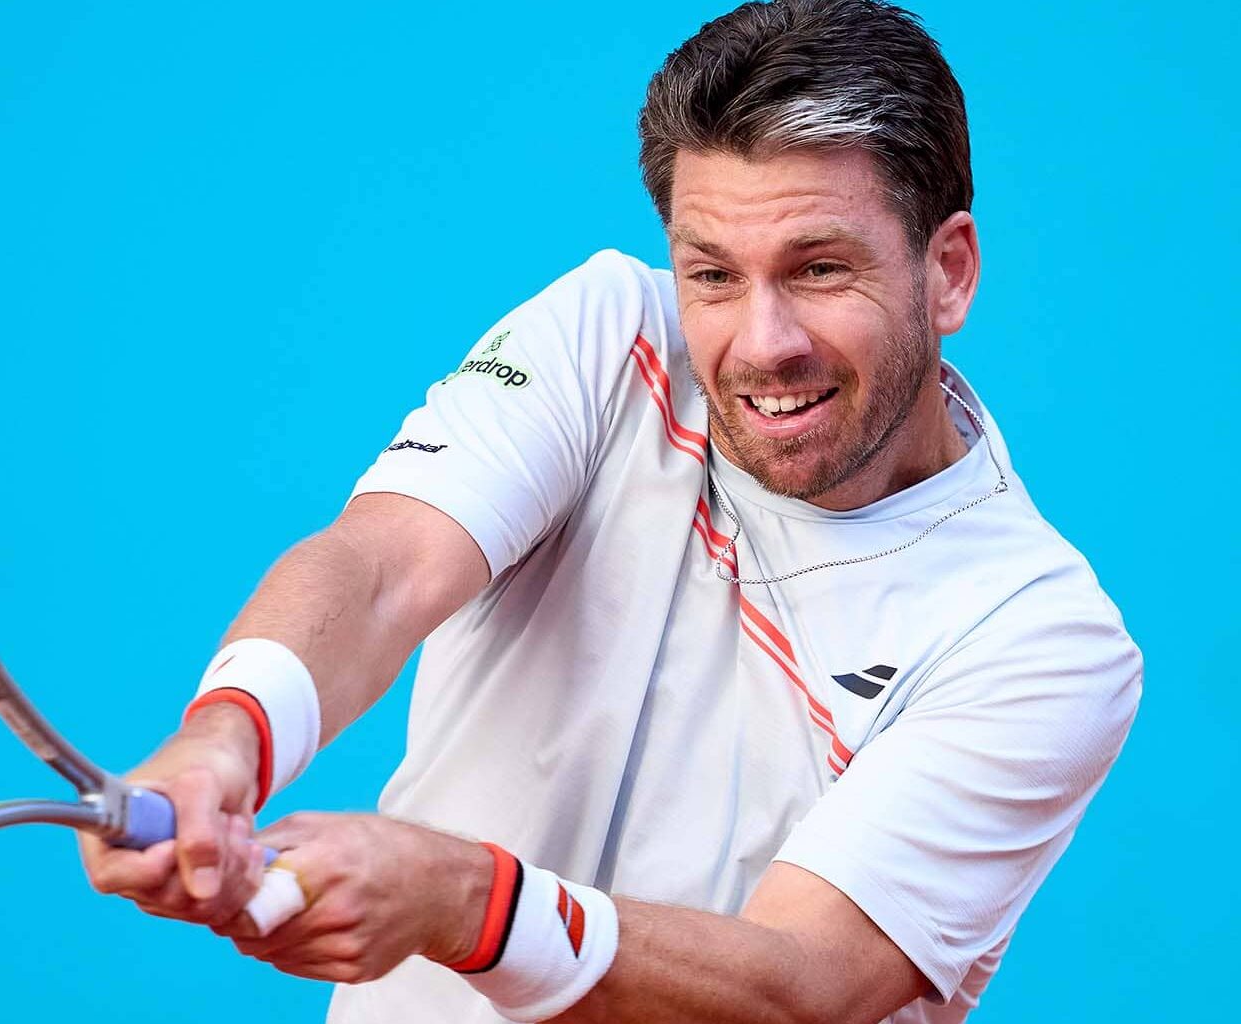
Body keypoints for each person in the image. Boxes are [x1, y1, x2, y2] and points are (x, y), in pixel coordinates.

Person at [79, 1, 1143, 1021]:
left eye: (820, 269)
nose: (763, 341)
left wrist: (465, 902)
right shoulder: (609, 333)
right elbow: (383, 565)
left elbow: (798, 985)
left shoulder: (1040, 637)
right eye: (713, 274)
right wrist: (228, 739)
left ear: (947, 272)